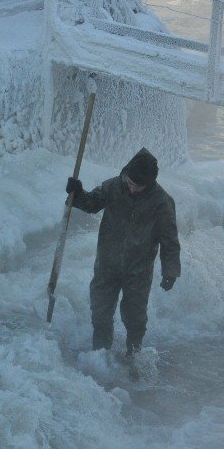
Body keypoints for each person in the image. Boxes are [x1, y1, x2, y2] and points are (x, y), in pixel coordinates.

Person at [66, 148, 181, 354]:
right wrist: (78, 193)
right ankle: (100, 353)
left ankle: (133, 354)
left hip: (138, 270)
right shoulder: (113, 186)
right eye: (130, 183)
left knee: (134, 317)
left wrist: (170, 271)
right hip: (107, 264)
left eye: (139, 186)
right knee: (100, 311)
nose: (133, 188)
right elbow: (91, 203)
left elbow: (169, 240)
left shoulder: (162, 202)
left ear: (149, 183)